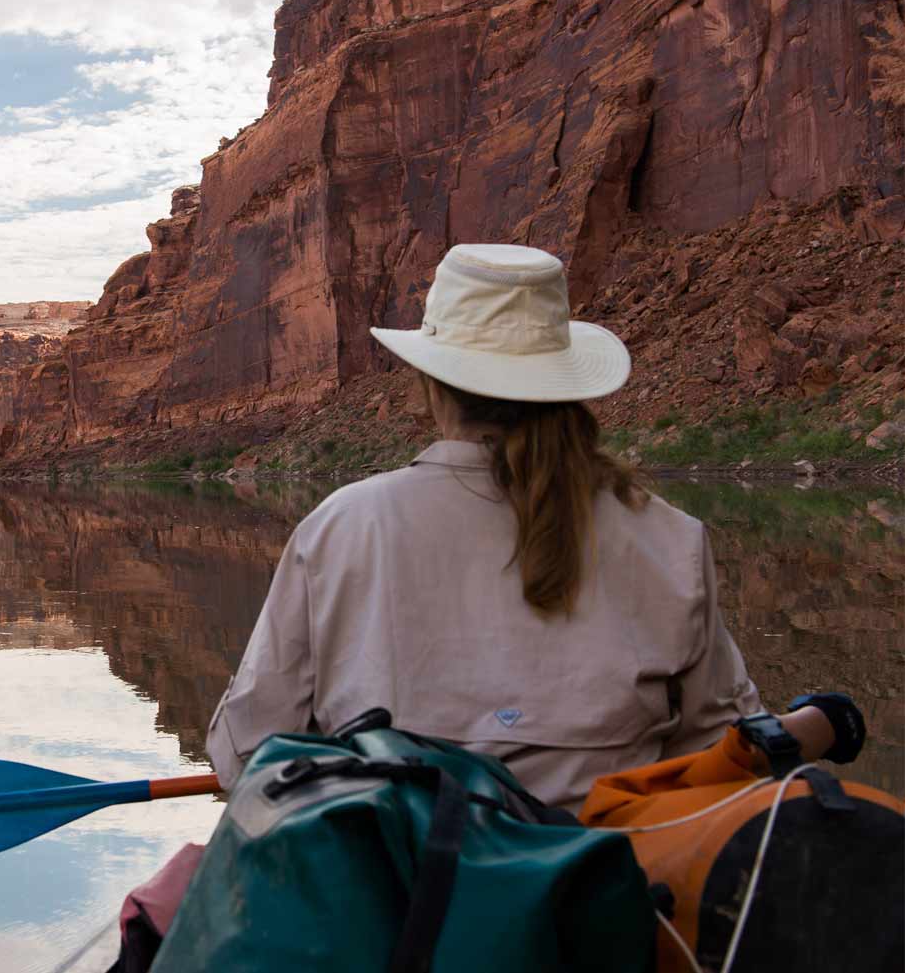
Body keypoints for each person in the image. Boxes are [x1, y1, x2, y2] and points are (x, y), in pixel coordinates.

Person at [206, 243, 837, 811]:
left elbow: (246, 755)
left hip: (403, 905)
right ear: (563, 383)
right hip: (604, 898)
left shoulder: (342, 526)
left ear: (431, 382)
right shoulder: (671, 538)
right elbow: (723, 754)